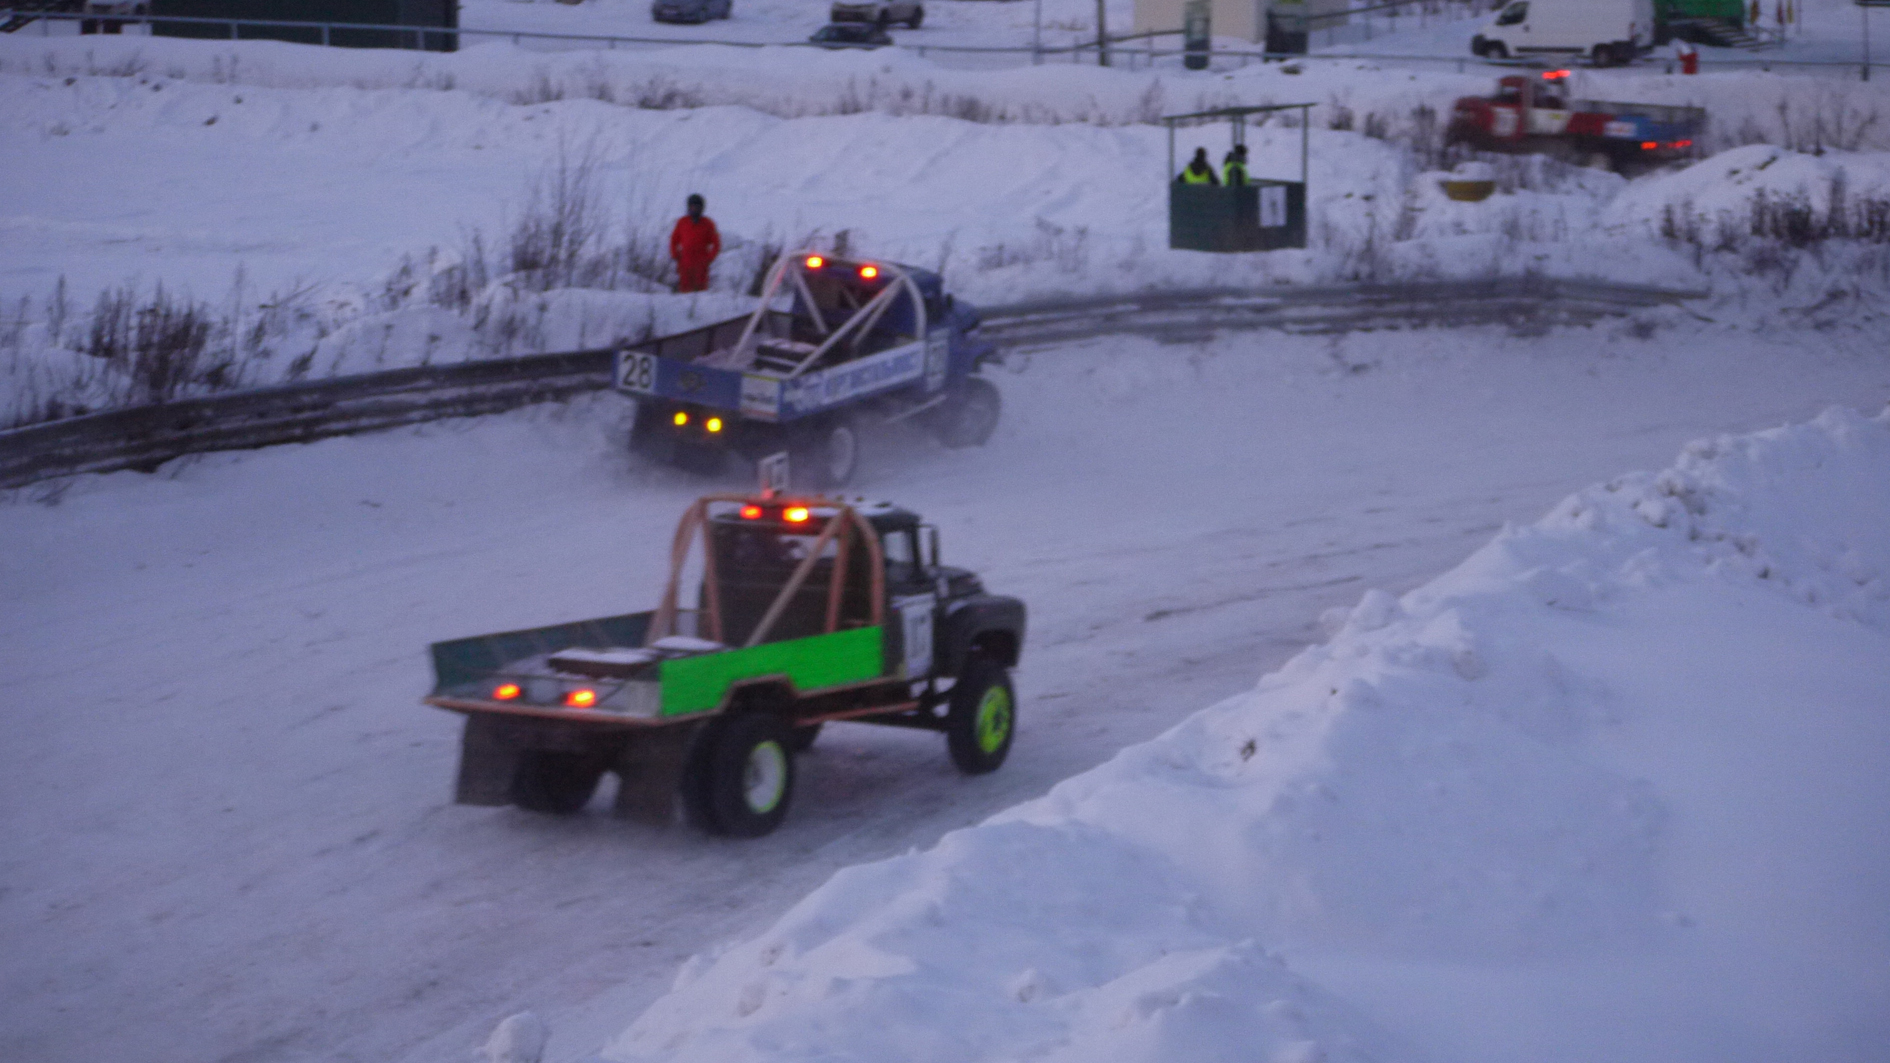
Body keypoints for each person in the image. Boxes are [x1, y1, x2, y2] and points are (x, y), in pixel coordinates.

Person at [669, 194, 721, 294]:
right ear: (689, 207)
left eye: (698, 207)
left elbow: (716, 244)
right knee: (685, 292)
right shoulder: (682, 222)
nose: (696, 209)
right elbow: (673, 240)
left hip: (701, 264)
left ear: (702, 208)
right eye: (693, 207)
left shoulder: (708, 223)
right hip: (685, 263)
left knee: (700, 294)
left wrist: (709, 258)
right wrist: (675, 255)